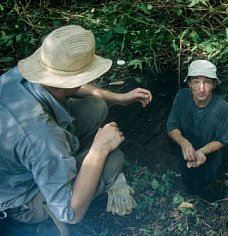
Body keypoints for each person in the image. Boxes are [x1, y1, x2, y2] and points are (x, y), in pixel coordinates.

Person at [0, 25, 152, 234]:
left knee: (95, 106)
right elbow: (70, 213)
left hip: (19, 161)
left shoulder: (18, 76)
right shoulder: (44, 138)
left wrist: (117, 98)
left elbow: (65, 84)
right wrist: (99, 149)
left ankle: (70, 164)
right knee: (113, 159)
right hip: (22, 198)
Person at [166, 60, 228, 198]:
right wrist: (184, 143)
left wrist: (201, 152)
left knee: (206, 188)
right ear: (189, 83)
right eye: (196, 82)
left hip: (211, 161)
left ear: (214, 84)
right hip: (184, 155)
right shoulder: (182, 97)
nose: (202, 88)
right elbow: (172, 126)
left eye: (207, 82)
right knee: (187, 183)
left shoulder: (222, 108)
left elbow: (222, 139)